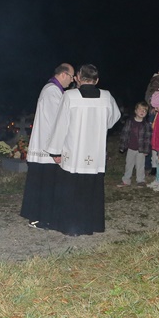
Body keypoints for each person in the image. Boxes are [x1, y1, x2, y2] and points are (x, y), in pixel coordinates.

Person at [45, 64, 121, 235]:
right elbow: (114, 117)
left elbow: (61, 124)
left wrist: (55, 150)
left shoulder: (70, 96)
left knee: (72, 189)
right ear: (97, 80)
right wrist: (101, 124)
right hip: (95, 153)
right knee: (91, 189)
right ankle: (91, 225)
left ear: (78, 78)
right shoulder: (106, 96)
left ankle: (72, 227)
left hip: (74, 152)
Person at [20, 63, 75, 227]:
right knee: (44, 184)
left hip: (47, 147)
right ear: (63, 74)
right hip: (47, 148)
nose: (72, 81)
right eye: (71, 77)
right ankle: (39, 218)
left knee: (45, 184)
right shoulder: (52, 91)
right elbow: (55, 122)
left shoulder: (54, 90)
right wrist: (56, 150)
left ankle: (43, 217)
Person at [118, 100, 151, 187]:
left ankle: (140, 180)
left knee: (140, 165)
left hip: (141, 149)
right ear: (135, 111)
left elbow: (148, 138)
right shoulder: (130, 122)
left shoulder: (146, 125)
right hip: (130, 148)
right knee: (129, 164)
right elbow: (124, 134)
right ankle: (126, 180)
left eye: (145, 110)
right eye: (140, 109)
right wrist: (122, 146)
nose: (142, 112)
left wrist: (146, 150)